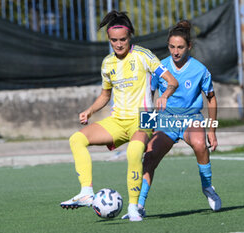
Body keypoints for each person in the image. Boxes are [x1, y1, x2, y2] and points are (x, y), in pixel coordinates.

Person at [59, 10, 178, 222]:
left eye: (123, 39)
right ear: (108, 39)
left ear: (130, 36)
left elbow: (172, 81)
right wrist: (90, 110)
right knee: (76, 139)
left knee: (134, 151)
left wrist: (165, 95)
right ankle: (86, 192)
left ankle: (134, 207)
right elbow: (105, 95)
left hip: (144, 119)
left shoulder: (143, 55)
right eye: (114, 40)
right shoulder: (107, 63)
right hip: (117, 120)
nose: (119, 44)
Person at [122, 20, 221, 219]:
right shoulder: (160, 68)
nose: (176, 52)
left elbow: (211, 98)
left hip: (190, 118)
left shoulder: (200, 70)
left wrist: (211, 130)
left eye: (180, 47)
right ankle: (139, 205)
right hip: (165, 121)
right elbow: (149, 98)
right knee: (149, 157)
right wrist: (146, 129)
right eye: (172, 47)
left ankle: (208, 187)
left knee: (200, 145)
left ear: (189, 47)